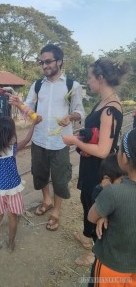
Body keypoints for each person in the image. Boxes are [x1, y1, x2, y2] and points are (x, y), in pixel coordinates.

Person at [8, 44, 84, 231]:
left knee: (59, 178)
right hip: (39, 139)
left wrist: (71, 117)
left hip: (60, 142)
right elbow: (28, 106)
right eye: (42, 62)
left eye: (48, 61)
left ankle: (56, 211)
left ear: (59, 61)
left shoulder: (72, 85)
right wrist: (19, 104)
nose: (44, 66)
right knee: (40, 174)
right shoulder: (38, 85)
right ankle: (46, 200)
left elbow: (79, 110)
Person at [62, 57, 130, 266]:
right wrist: (81, 135)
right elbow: (96, 133)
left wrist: (74, 141)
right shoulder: (103, 102)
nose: (88, 82)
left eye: (90, 77)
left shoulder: (110, 109)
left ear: (100, 78)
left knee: (96, 205)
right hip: (90, 165)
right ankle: (86, 234)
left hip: (98, 168)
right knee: (86, 200)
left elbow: (103, 150)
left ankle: (94, 252)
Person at [0, 116, 41, 255]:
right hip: (13, 189)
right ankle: (11, 244)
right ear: (9, 133)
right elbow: (27, 139)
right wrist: (33, 124)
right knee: (12, 216)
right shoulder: (12, 148)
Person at [88, 129, 136, 286]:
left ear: (123, 157)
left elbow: (91, 216)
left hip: (113, 265)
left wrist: (105, 211)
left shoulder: (113, 192)